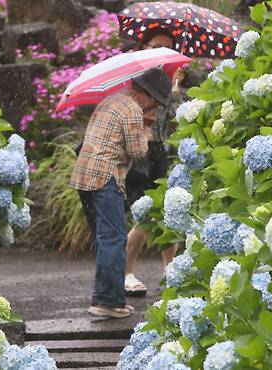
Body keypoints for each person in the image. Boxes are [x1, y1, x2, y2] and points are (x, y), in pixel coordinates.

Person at [71, 68, 172, 318]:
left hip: (84, 175)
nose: (156, 108)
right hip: (105, 177)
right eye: (157, 102)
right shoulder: (132, 109)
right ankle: (107, 302)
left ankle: (108, 297)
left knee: (106, 240)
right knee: (115, 239)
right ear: (146, 95)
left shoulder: (112, 100)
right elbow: (137, 152)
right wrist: (146, 133)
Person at [124, 28, 184, 297]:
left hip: (162, 153)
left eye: (167, 47)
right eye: (156, 45)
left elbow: (174, 116)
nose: (161, 51)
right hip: (139, 152)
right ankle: (125, 273)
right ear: (143, 45)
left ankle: (171, 271)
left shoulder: (168, 78)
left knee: (165, 212)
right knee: (146, 214)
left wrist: (175, 89)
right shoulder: (134, 76)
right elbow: (140, 113)